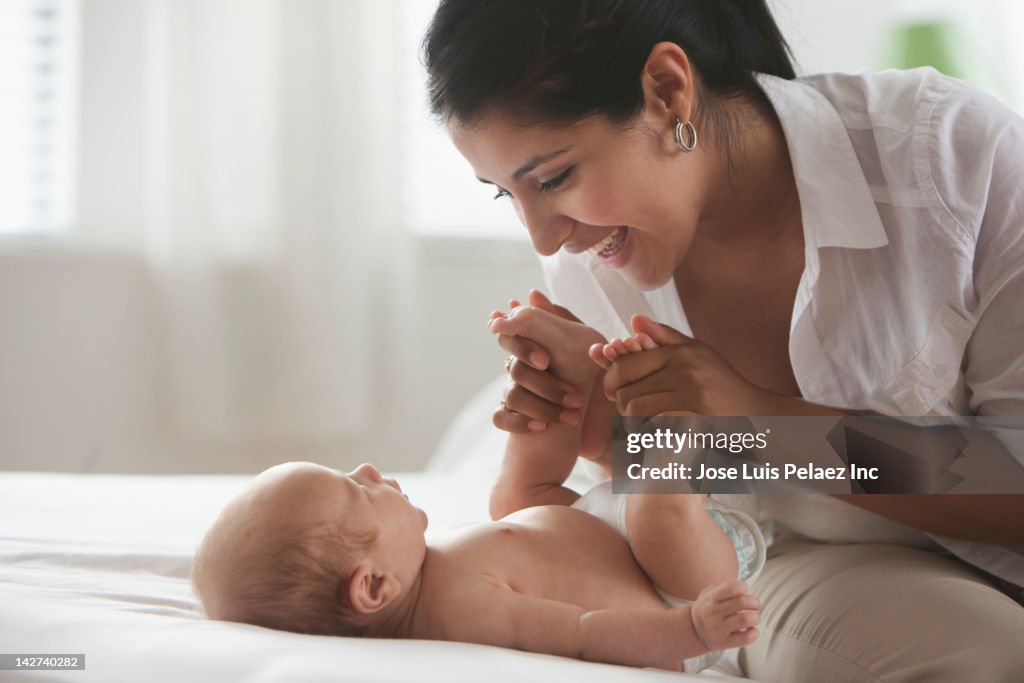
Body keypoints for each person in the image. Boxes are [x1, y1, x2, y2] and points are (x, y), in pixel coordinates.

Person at [422, 0, 1024, 680]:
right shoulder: (591, 258)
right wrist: (594, 425)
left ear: (668, 92)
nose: (543, 237)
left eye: (554, 178)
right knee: (986, 656)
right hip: (787, 563)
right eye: (507, 194)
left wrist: (765, 422)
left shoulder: (952, 163)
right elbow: (676, 536)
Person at [191, 458, 761, 673]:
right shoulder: (465, 609)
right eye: (356, 491)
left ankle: (550, 398)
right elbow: (584, 635)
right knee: (662, 499)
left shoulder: (420, 573)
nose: (367, 468)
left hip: (603, 531)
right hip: (671, 589)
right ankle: (734, 432)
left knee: (514, 492)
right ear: (372, 585)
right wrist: (689, 629)